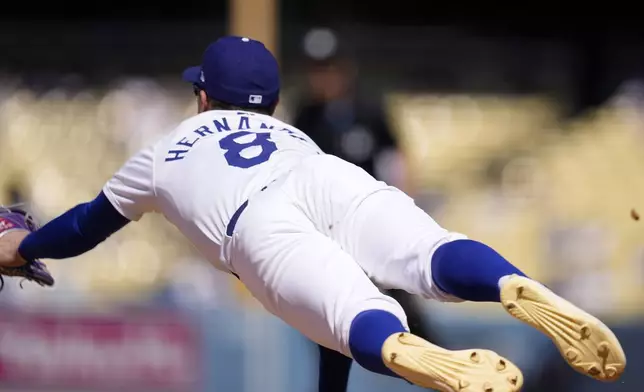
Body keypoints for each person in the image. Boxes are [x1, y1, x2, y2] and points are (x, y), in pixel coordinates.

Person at [0, 36, 626, 392]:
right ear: (270, 101)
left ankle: (406, 351)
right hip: (328, 178)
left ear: (201, 95)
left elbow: (84, 226)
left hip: (255, 224)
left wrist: (24, 250)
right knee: (430, 253)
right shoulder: (295, 134)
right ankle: (508, 282)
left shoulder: (164, 152)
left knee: (359, 317)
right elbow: (327, 344)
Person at [293, 54, 443, 392]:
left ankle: (451, 377)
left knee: (409, 320)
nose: (323, 78)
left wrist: (405, 209)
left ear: (344, 70)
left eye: (328, 68)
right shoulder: (305, 114)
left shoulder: (368, 109)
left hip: (369, 228)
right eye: (316, 69)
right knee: (328, 327)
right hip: (327, 236)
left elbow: (398, 155)